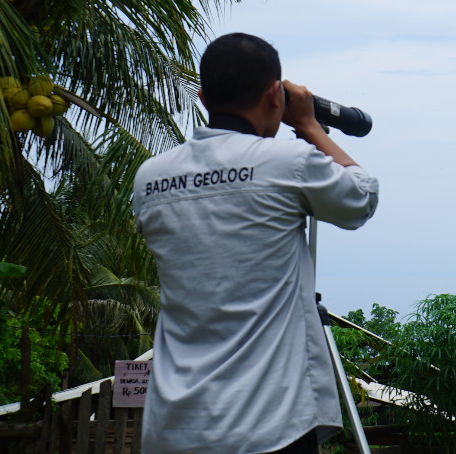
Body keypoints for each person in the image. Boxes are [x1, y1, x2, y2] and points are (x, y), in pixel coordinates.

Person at [133, 33, 379, 454]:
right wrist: (308, 125)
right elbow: (361, 197)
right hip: (268, 426)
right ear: (274, 94)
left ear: (203, 96)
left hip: (173, 426)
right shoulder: (288, 163)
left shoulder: (151, 177)